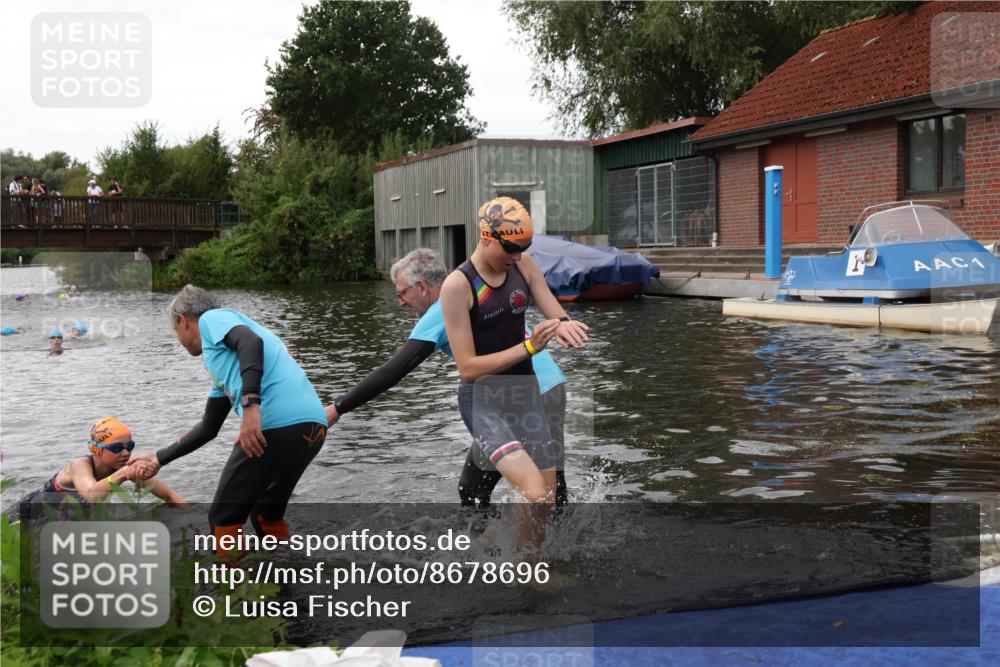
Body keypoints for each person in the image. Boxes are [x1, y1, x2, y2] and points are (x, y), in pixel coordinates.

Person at [326, 247, 570, 506]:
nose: (400, 302)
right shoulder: (473, 290)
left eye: (401, 293)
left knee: (473, 489)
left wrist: (339, 407)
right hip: (552, 385)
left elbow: (393, 371)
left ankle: (494, 545)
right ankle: (561, 541)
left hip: (517, 392)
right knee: (552, 486)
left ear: (421, 287)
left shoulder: (443, 307)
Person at [132, 285, 328, 556]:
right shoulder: (224, 363)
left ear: (183, 321)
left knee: (223, 517)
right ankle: (290, 583)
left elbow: (250, 342)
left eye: (175, 332)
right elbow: (209, 427)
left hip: (277, 423)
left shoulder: (213, 319)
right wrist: (158, 458)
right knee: (265, 513)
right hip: (313, 426)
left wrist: (250, 405)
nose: (179, 340)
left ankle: (231, 592)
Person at [440, 197, 588, 514]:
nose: (519, 255)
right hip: (483, 400)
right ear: (486, 238)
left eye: (525, 246)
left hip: (525, 393)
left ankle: (527, 561)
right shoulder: (459, 285)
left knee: (546, 499)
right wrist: (530, 347)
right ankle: (512, 558)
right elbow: (467, 368)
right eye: (512, 248)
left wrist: (563, 325)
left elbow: (548, 302)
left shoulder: (522, 264)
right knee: (534, 493)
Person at [16, 417, 187, 514]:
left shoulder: (125, 467)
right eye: (117, 448)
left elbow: (169, 495)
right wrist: (124, 473)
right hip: (29, 512)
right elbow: (91, 495)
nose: (126, 453)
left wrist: (198, 518)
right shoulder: (80, 465)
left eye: (130, 446)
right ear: (97, 450)